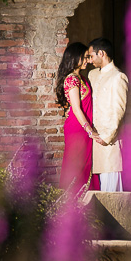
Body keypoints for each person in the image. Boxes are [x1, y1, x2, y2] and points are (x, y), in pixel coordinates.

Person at [53, 42, 98, 193]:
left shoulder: (81, 77)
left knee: (85, 166)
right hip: (78, 128)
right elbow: (77, 109)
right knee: (76, 166)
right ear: (75, 57)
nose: (87, 60)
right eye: (85, 57)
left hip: (83, 127)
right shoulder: (72, 79)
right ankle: (72, 207)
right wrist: (90, 131)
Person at [87, 37, 129, 192]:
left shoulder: (118, 77)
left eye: (91, 56)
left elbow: (119, 110)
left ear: (102, 53)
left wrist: (107, 137)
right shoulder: (92, 75)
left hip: (108, 142)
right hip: (92, 140)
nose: (90, 60)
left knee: (111, 190)